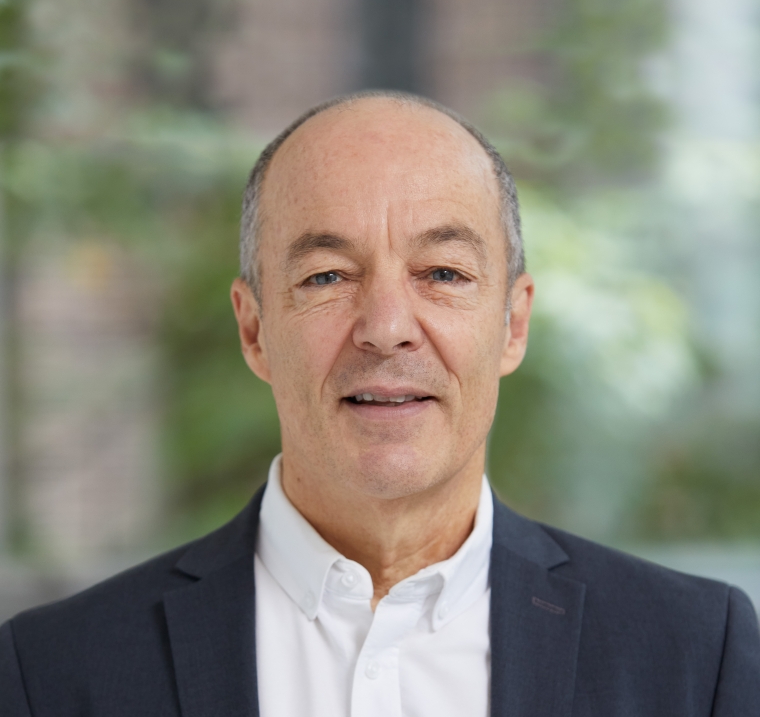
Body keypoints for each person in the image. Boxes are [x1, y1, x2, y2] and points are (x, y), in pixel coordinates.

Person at [1, 91, 759, 717]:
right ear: (254, 328)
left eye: (443, 273)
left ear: (513, 324)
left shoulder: (695, 656)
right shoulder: (53, 674)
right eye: (328, 277)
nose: (388, 329)